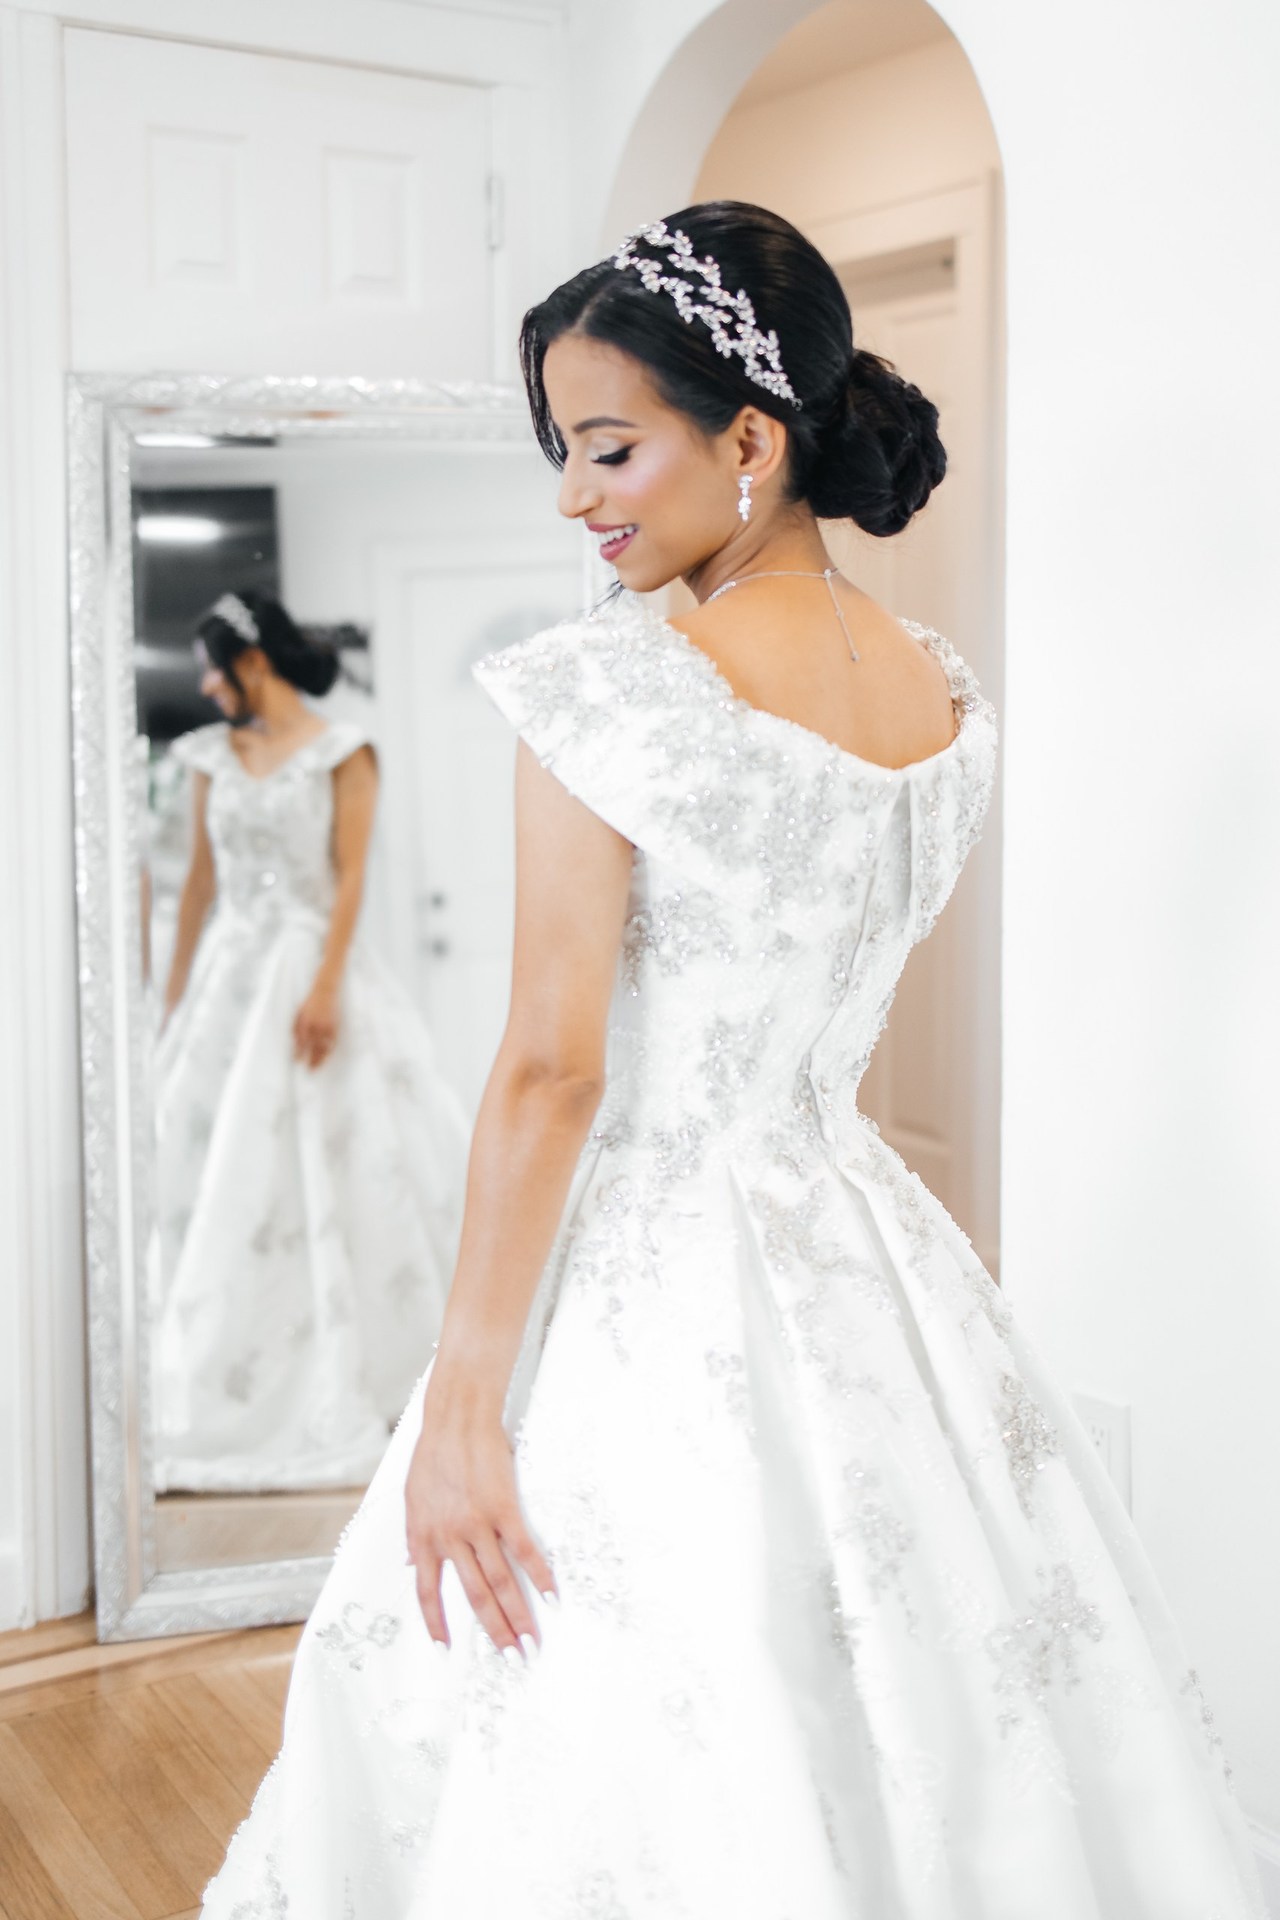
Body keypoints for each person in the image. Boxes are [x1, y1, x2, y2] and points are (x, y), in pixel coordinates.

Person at [199, 205, 1265, 1916]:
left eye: (609, 447)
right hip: (868, 1252)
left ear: (751, 441)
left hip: (653, 1261)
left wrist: (462, 1406)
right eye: (563, 452)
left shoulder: (613, 691)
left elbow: (553, 1075)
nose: (575, 497)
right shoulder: (941, 697)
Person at [152, 590, 471, 1493]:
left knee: (340, 1154)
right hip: (230, 975)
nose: (207, 688)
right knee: (213, 1160)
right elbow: (197, 887)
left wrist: (327, 986)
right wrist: (171, 1001)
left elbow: (350, 875)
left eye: (214, 670)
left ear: (253, 663)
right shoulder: (208, 757)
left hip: (309, 962)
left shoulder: (343, 750)